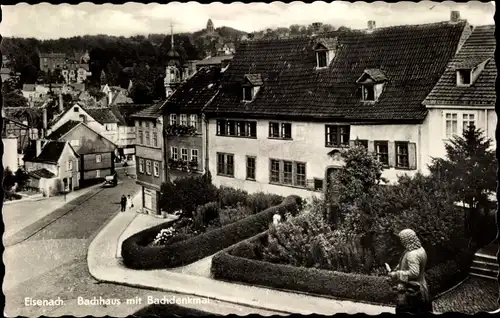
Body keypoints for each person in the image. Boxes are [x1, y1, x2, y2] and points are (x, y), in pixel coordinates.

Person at [388, 229, 433, 314]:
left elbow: (414, 273)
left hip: (412, 291)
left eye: (402, 239)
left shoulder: (412, 254)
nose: (401, 241)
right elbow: (409, 264)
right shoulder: (420, 249)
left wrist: (396, 274)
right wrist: (398, 267)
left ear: (406, 239)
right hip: (422, 286)